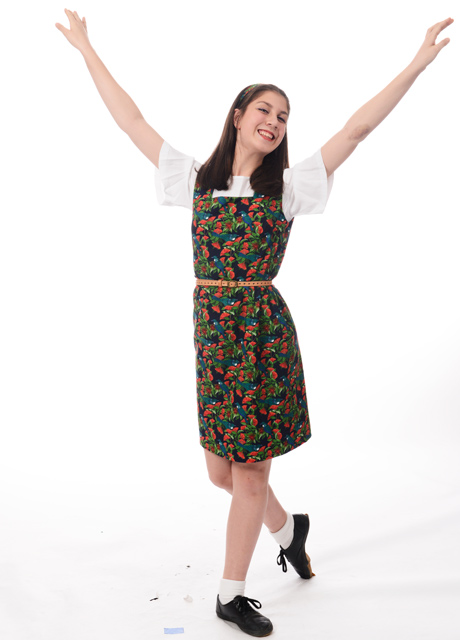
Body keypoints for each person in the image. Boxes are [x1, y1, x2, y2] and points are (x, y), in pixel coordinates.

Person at [56, 10, 453, 638]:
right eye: (265, 110)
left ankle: (231, 596)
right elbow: (130, 120)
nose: (275, 121)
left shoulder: (290, 188)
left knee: (249, 473)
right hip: (213, 335)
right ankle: (290, 531)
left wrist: (418, 64)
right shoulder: (194, 180)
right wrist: (86, 49)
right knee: (222, 473)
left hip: (262, 336)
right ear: (238, 116)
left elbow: (358, 129)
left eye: (285, 116)